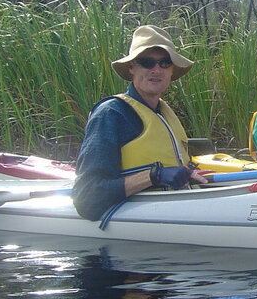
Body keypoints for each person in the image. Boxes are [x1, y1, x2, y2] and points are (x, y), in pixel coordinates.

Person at [73, 25, 207, 221]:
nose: (156, 70)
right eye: (146, 62)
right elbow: (87, 198)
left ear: (172, 71)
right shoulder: (111, 114)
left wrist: (188, 173)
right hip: (129, 218)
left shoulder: (163, 112)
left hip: (174, 205)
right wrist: (155, 176)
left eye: (165, 63)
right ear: (132, 68)